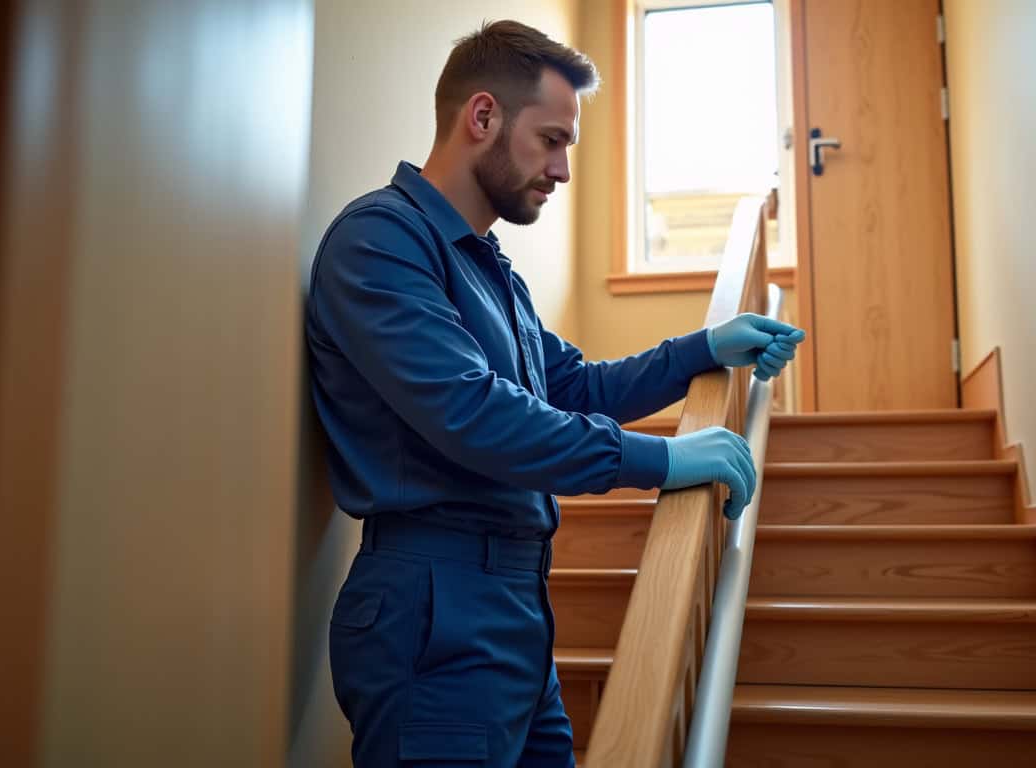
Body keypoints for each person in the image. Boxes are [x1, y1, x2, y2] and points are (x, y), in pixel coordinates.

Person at [305, 19, 805, 768]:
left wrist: (701, 349)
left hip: (516, 604)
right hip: (436, 606)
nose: (563, 170)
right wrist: (663, 461)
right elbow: (474, 414)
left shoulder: (489, 268)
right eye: (552, 140)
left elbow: (570, 386)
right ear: (482, 116)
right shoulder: (380, 241)